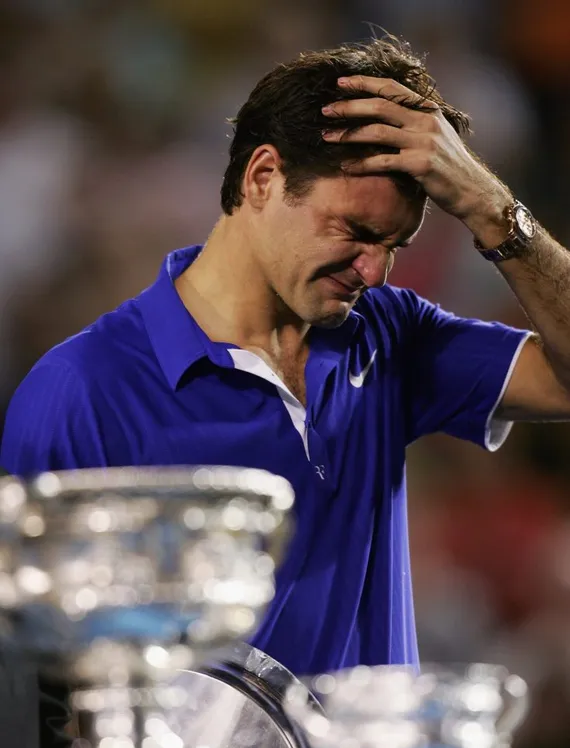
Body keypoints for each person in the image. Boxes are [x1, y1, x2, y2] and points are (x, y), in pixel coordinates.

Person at [2, 34, 570, 681]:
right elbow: (35, 685)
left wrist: (492, 210)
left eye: (394, 244)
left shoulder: (388, 335)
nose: (375, 273)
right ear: (263, 177)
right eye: (355, 232)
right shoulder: (80, 391)